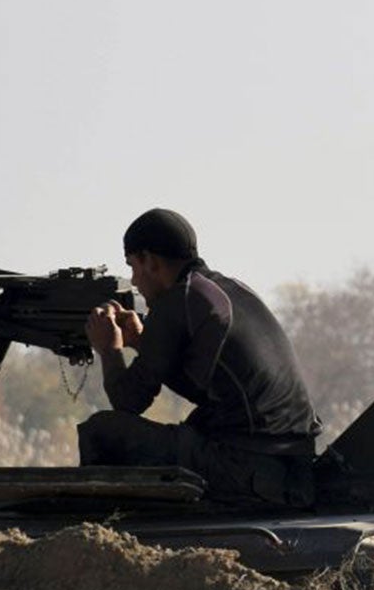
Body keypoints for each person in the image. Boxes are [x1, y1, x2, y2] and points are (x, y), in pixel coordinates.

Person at [79, 208, 320, 507]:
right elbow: (213, 390)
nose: (134, 281)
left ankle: (105, 531)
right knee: (194, 426)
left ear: (150, 261)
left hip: (246, 467)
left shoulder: (176, 302)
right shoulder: (224, 290)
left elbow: (128, 401)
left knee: (103, 432)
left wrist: (109, 350)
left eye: (133, 266)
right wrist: (143, 343)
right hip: (291, 471)